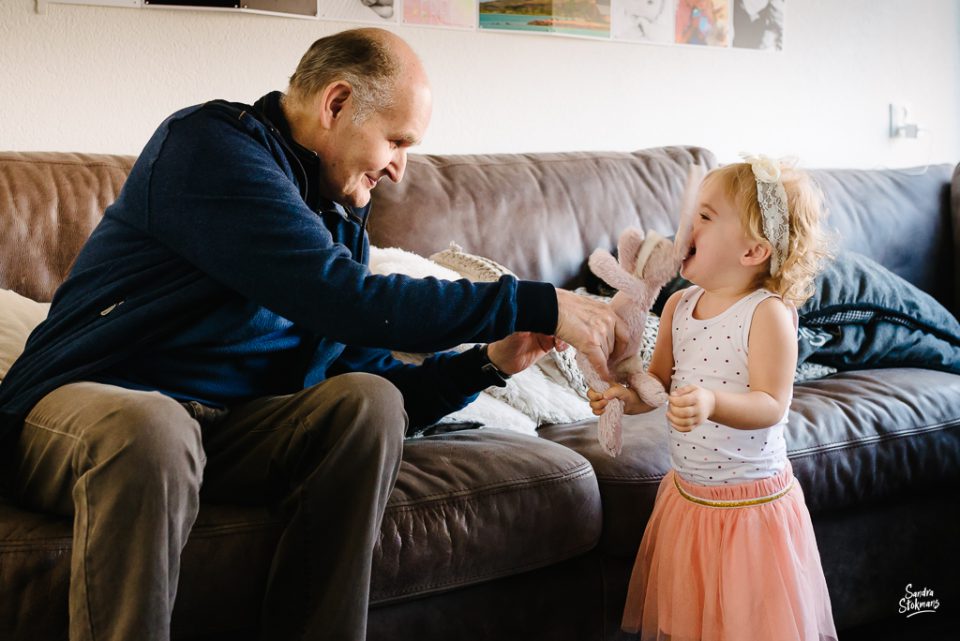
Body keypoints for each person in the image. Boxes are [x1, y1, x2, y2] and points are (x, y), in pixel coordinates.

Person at [0, 28, 626, 641]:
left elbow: (374, 377)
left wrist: (488, 364)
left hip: (224, 430)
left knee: (366, 403)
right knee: (152, 429)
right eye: (396, 141)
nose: (400, 169)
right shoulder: (208, 146)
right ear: (336, 103)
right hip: (85, 410)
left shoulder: (338, 210)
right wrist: (538, 302)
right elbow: (341, 299)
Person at [588, 154, 837, 641]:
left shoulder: (767, 314)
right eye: (691, 213)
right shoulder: (680, 304)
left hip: (750, 513)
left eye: (705, 216)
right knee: (691, 622)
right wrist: (623, 396)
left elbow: (772, 404)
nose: (687, 226)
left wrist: (712, 403)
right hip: (689, 500)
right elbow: (655, 384)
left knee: (749, 625)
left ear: (752, 251)